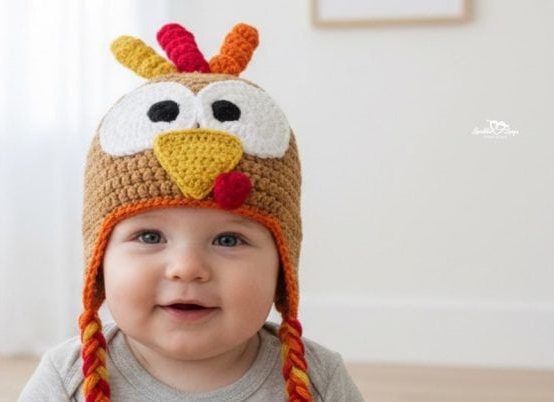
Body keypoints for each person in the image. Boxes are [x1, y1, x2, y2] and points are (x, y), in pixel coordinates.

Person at [19, 22, 364, 402]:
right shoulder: (67, 378)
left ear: (283, 268)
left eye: (228, 239)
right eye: (150, 236)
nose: (186, 267)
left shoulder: (318, 380)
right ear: (98, 262)